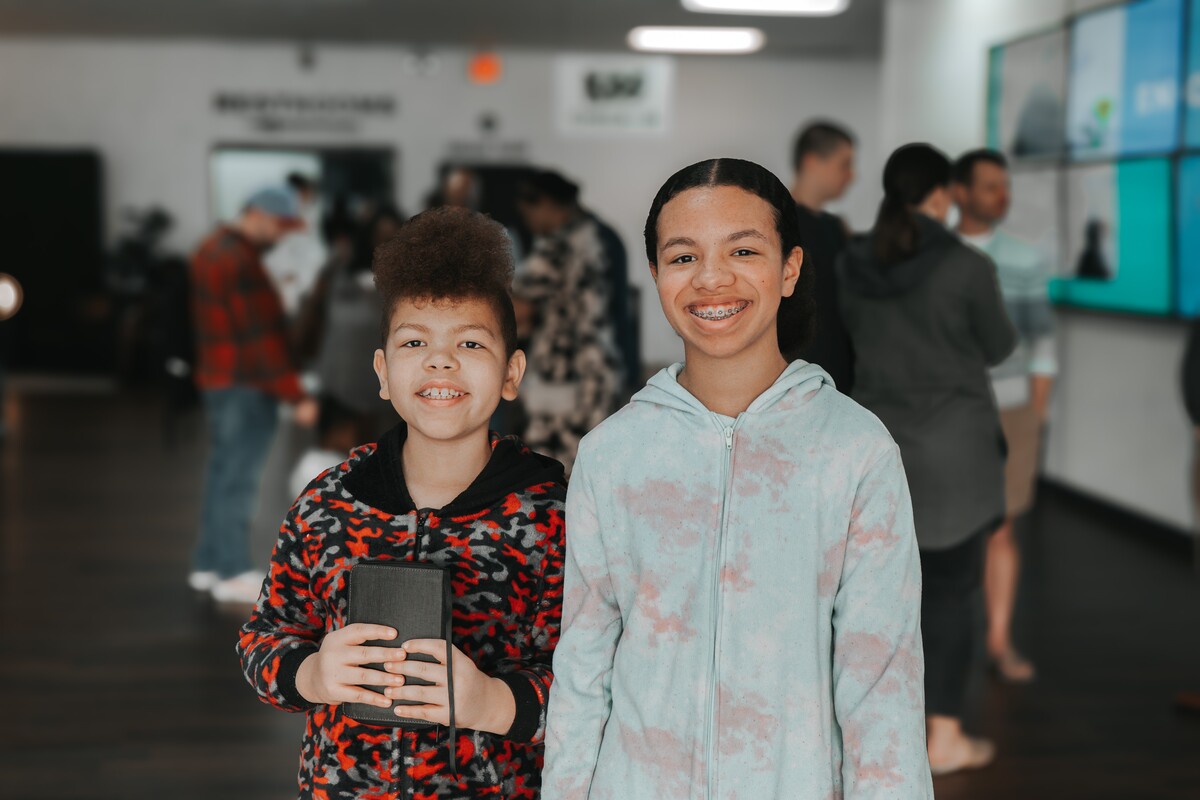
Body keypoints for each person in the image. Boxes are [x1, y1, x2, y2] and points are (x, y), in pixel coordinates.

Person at [543, 158, 933, 799]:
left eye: (743, 250)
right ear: (656, 275)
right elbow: (584, 666)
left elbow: (882, 685)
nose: (712, 278)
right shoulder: (612, 454)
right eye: (683, 256)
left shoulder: (856, 451)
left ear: (790, 269)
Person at [237, 205, 567, 798]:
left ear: (512, 373)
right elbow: (266, 633)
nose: (440, 359)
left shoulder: (552, 516)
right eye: (415, 341)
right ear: (383, 372)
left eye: (470, 341)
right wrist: (310, 672)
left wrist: (492, 702)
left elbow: (593, 684)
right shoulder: (327, 504)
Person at [838, 143, 1016, 775]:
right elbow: (998, 345)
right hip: (956, 452)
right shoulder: (965, 267)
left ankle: (868, 734)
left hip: (876, 445)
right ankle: (942, 738)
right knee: (949, 592)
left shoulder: (850, 262)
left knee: (869, 598)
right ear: (943, 194)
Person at [953, 148, 1058, 684]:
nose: (1003, 195)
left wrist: (1036, 413)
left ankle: (998, 640)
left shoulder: (1025, 258)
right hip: (946, 411)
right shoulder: (934, 251)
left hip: (1010, 409)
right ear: (960, 191)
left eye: (1006, 186)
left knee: (1001, 531)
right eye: (991, 186)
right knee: (937, 533)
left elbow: (1042, 340)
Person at [188, 186, 317, 604]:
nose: (280, 237)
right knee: (239, 481)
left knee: (223, 475)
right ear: (258, 215)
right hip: (245, 384)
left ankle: (207, 565)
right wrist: (297, 396)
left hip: (221, 380)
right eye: (279, 226)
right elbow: (260, 340)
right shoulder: (238, 259)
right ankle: (230, 570)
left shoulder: (212, 248)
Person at [512, 169, 624, 472]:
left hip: (565, 372)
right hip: (597, 370)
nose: (529, 223)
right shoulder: (599, 236)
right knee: (594, 468)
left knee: (555, 473)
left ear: (547, 204)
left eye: (528, 212)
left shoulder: (560, 246)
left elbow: (516, 307)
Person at [786, 120, 858, 393]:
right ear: (813, 161)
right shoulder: (779, 223)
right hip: (798, 376)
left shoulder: (835, 227)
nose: (852, 175)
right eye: (845, 164)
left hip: (839, 374)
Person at [264, 172, 328, 317]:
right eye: (306, 193)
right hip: (288, 281)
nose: (309, 196)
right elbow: (279, 253)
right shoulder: (280, 217)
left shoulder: (307, 215)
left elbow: (313, 249)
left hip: (304, 280)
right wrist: (287, 274)